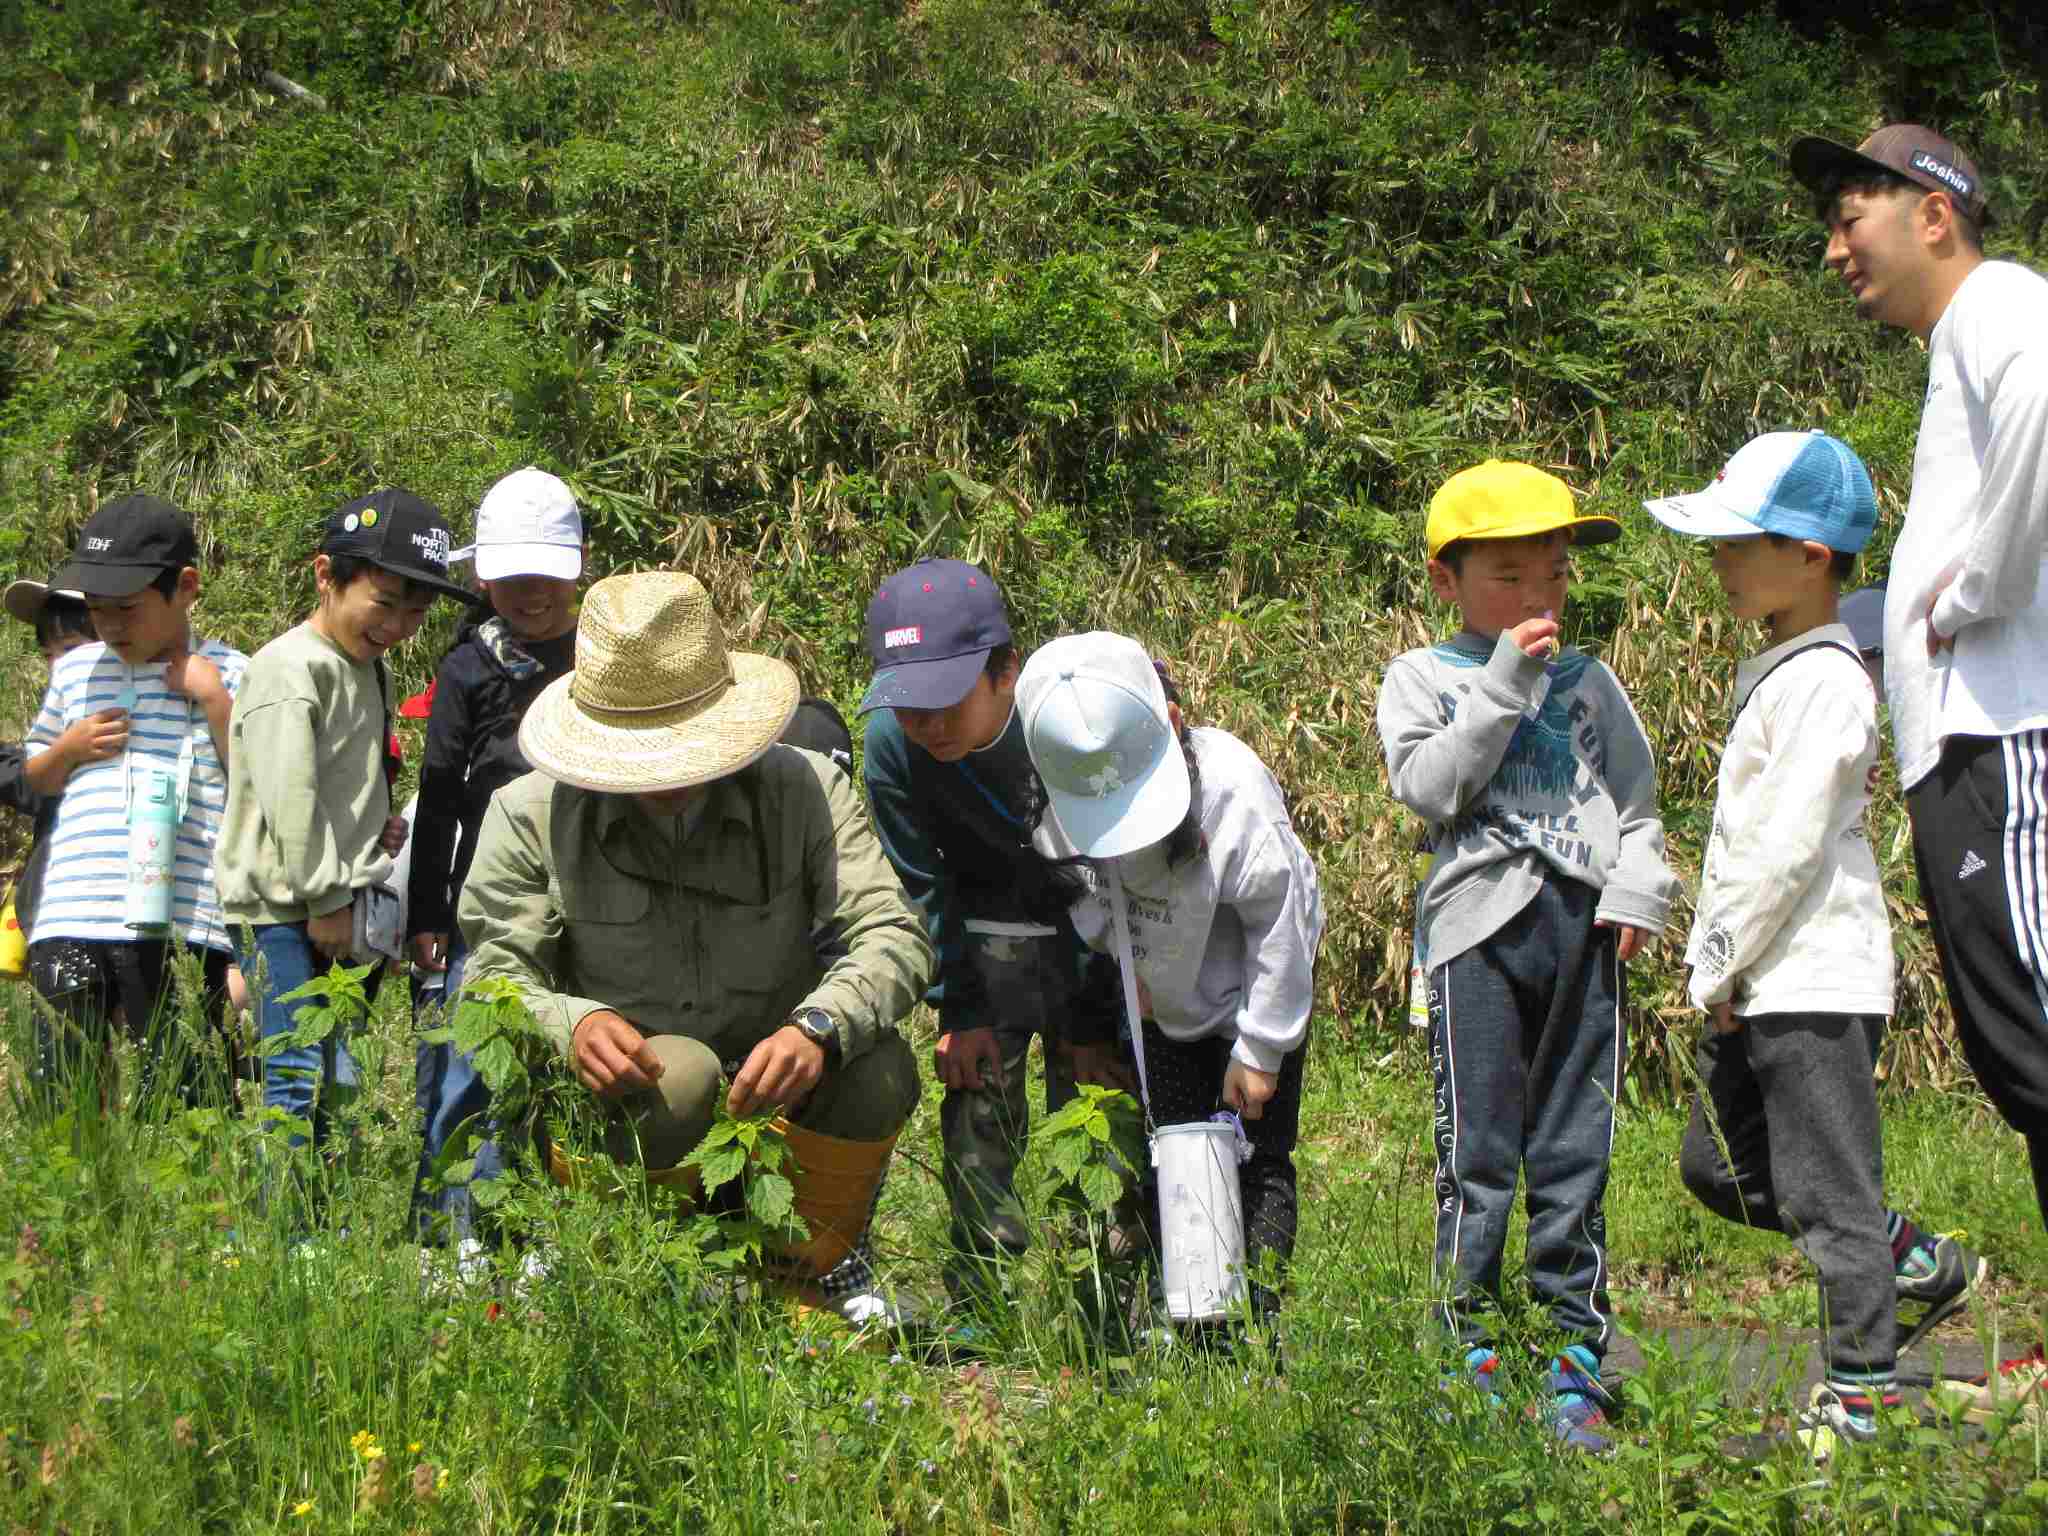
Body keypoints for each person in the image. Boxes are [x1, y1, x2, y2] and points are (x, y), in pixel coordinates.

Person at [459, 570, 932, 1323]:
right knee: (679, 1073)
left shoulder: (806, 791)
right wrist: (572, 1023)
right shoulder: (528, 814)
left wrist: (818, 1029)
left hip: (778, 1094)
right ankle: (636, 1275)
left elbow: (891, 932)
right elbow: (490, 978)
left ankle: (806, 1275)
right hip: (634, 1104)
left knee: (876, 1065)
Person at [1647, 430, 1987, 1451]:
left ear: (1810, 556)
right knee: (1717, 1167)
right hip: (1760, 973)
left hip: (1808, 976)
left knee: (1827, 1194)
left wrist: (1714, 961)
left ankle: (1861, 1389)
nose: (1720, 560)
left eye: (1741, 541)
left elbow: (1784, 841)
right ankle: (1908, 1262)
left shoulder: (1827, 681)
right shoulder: (1777, 667)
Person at [1791, 124, 2048, 1417]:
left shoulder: (2003, 304)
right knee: (2020, 1054)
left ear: (1936, 213)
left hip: (2011, 742)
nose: (1836, 249)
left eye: (1854, 216)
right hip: (1968, 756)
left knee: (2045, 1041)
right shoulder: (1959, 349)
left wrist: (1975, 591)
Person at [1376, 460, 1677, 1452]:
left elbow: (1635, 808)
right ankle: (1466, 1345)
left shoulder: (1591, 685)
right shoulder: (1423, 677)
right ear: (1445, 581)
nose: (1534, 595)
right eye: (1506, 575)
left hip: (1583, 931)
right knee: (1477, 1152)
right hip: (1473, 937)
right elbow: (1430, 788)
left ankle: (1572, 1354)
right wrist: (1503, 679)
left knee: (1571, 1149)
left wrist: (1637, 889)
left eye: (1548, 572)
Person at [1018, 633, 1322, 1328]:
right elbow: (1080, 892)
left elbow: (1282, 923)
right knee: (1176, 1140)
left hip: (1256, 985)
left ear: (1173, 726)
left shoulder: (1235, 795)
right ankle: (1193, 1313)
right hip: (1161, 997)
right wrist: (1128, 970)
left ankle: (1258, 1323)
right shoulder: (1057, 802)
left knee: (1259, 1152)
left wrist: (1261, 1049)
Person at [857, 558, 1125, 1308]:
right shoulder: (891, 745)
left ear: (1004, 672)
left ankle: (1098, 1301)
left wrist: (1095, 1021)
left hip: (1092, 936)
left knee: (1097, 1113)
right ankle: (981, 1297)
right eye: (910, 706)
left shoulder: (1069, 724)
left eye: (946, 702)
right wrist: (960, 1011)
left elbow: (1116, 875)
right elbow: (922, 886)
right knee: (977, 1111)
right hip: (981, 936)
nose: (928, 727)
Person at [215, 488, 470, 1156]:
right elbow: (289, 796)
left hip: (340, 899)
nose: (398, 625)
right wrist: (327, 898)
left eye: (416, 612)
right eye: (384, 604)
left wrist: (374, 828)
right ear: (326, 575)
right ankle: (285, 1235)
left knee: (335, 1071)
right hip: (286, 907)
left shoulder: (366, 669)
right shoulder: (290, 668)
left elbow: (343, 775)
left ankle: (315, 1211)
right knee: (296, 1072)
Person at [20, 499, 248, 1114]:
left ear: (187, 589)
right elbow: (35, 776)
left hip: (180, 914)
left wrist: (214, 700)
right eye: (97, 609)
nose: (112, 625)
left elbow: (252, 779)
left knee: (183, 1090)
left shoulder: (228, 670)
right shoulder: (74, 673)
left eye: (126, 608)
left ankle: (191, 1206)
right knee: (62, 1087)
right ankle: (73, 1205)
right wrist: (67, 748)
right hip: (74, 906)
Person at [407, 467, 584, 1247]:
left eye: (547, 573)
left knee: (557, 1073)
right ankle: (449, 1237)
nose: (531, 591)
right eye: (513, 576)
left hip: (586, 891)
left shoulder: (605, 652)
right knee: (465, 1069)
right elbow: (439, 796)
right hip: (482, 899)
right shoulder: (468, 666)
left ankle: (537, 1233)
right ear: (484, 574)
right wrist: (426, 913)